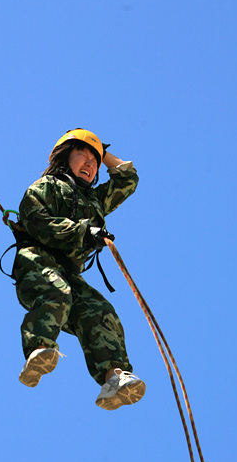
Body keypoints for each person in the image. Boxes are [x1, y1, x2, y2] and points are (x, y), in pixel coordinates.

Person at [12, 128, 146, 411]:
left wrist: (101, 151)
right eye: (81, 156)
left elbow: (127, 178)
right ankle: (38, 350)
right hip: (38, 260)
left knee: (100, 312)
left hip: (70, 272)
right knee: (56, 292)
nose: (89, 164)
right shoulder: (45, 187)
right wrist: (84, 232)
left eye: (93, 162)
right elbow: (38, 221)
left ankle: (114, 378)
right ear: (64, 158)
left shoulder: (94, 200)